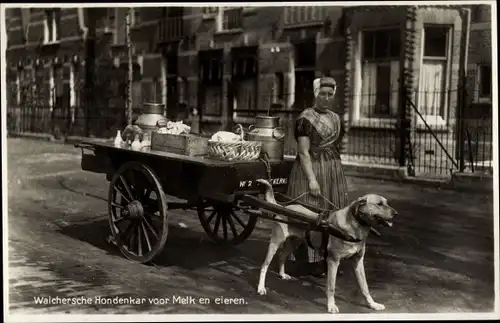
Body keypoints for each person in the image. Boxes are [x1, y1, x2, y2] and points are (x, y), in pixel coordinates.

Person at [287, 76, 349, 277]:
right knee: (310, 212)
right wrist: (312, 179)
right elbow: (304, 152)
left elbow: (334, 146)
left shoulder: (336, 118)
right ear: (316, 94)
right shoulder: (305, 118)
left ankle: (328, 259)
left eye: (330, 94)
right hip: (310, 169)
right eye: (322, 93)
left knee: (332, 213)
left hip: (331, 170)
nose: (326, 98)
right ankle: (306, 262)